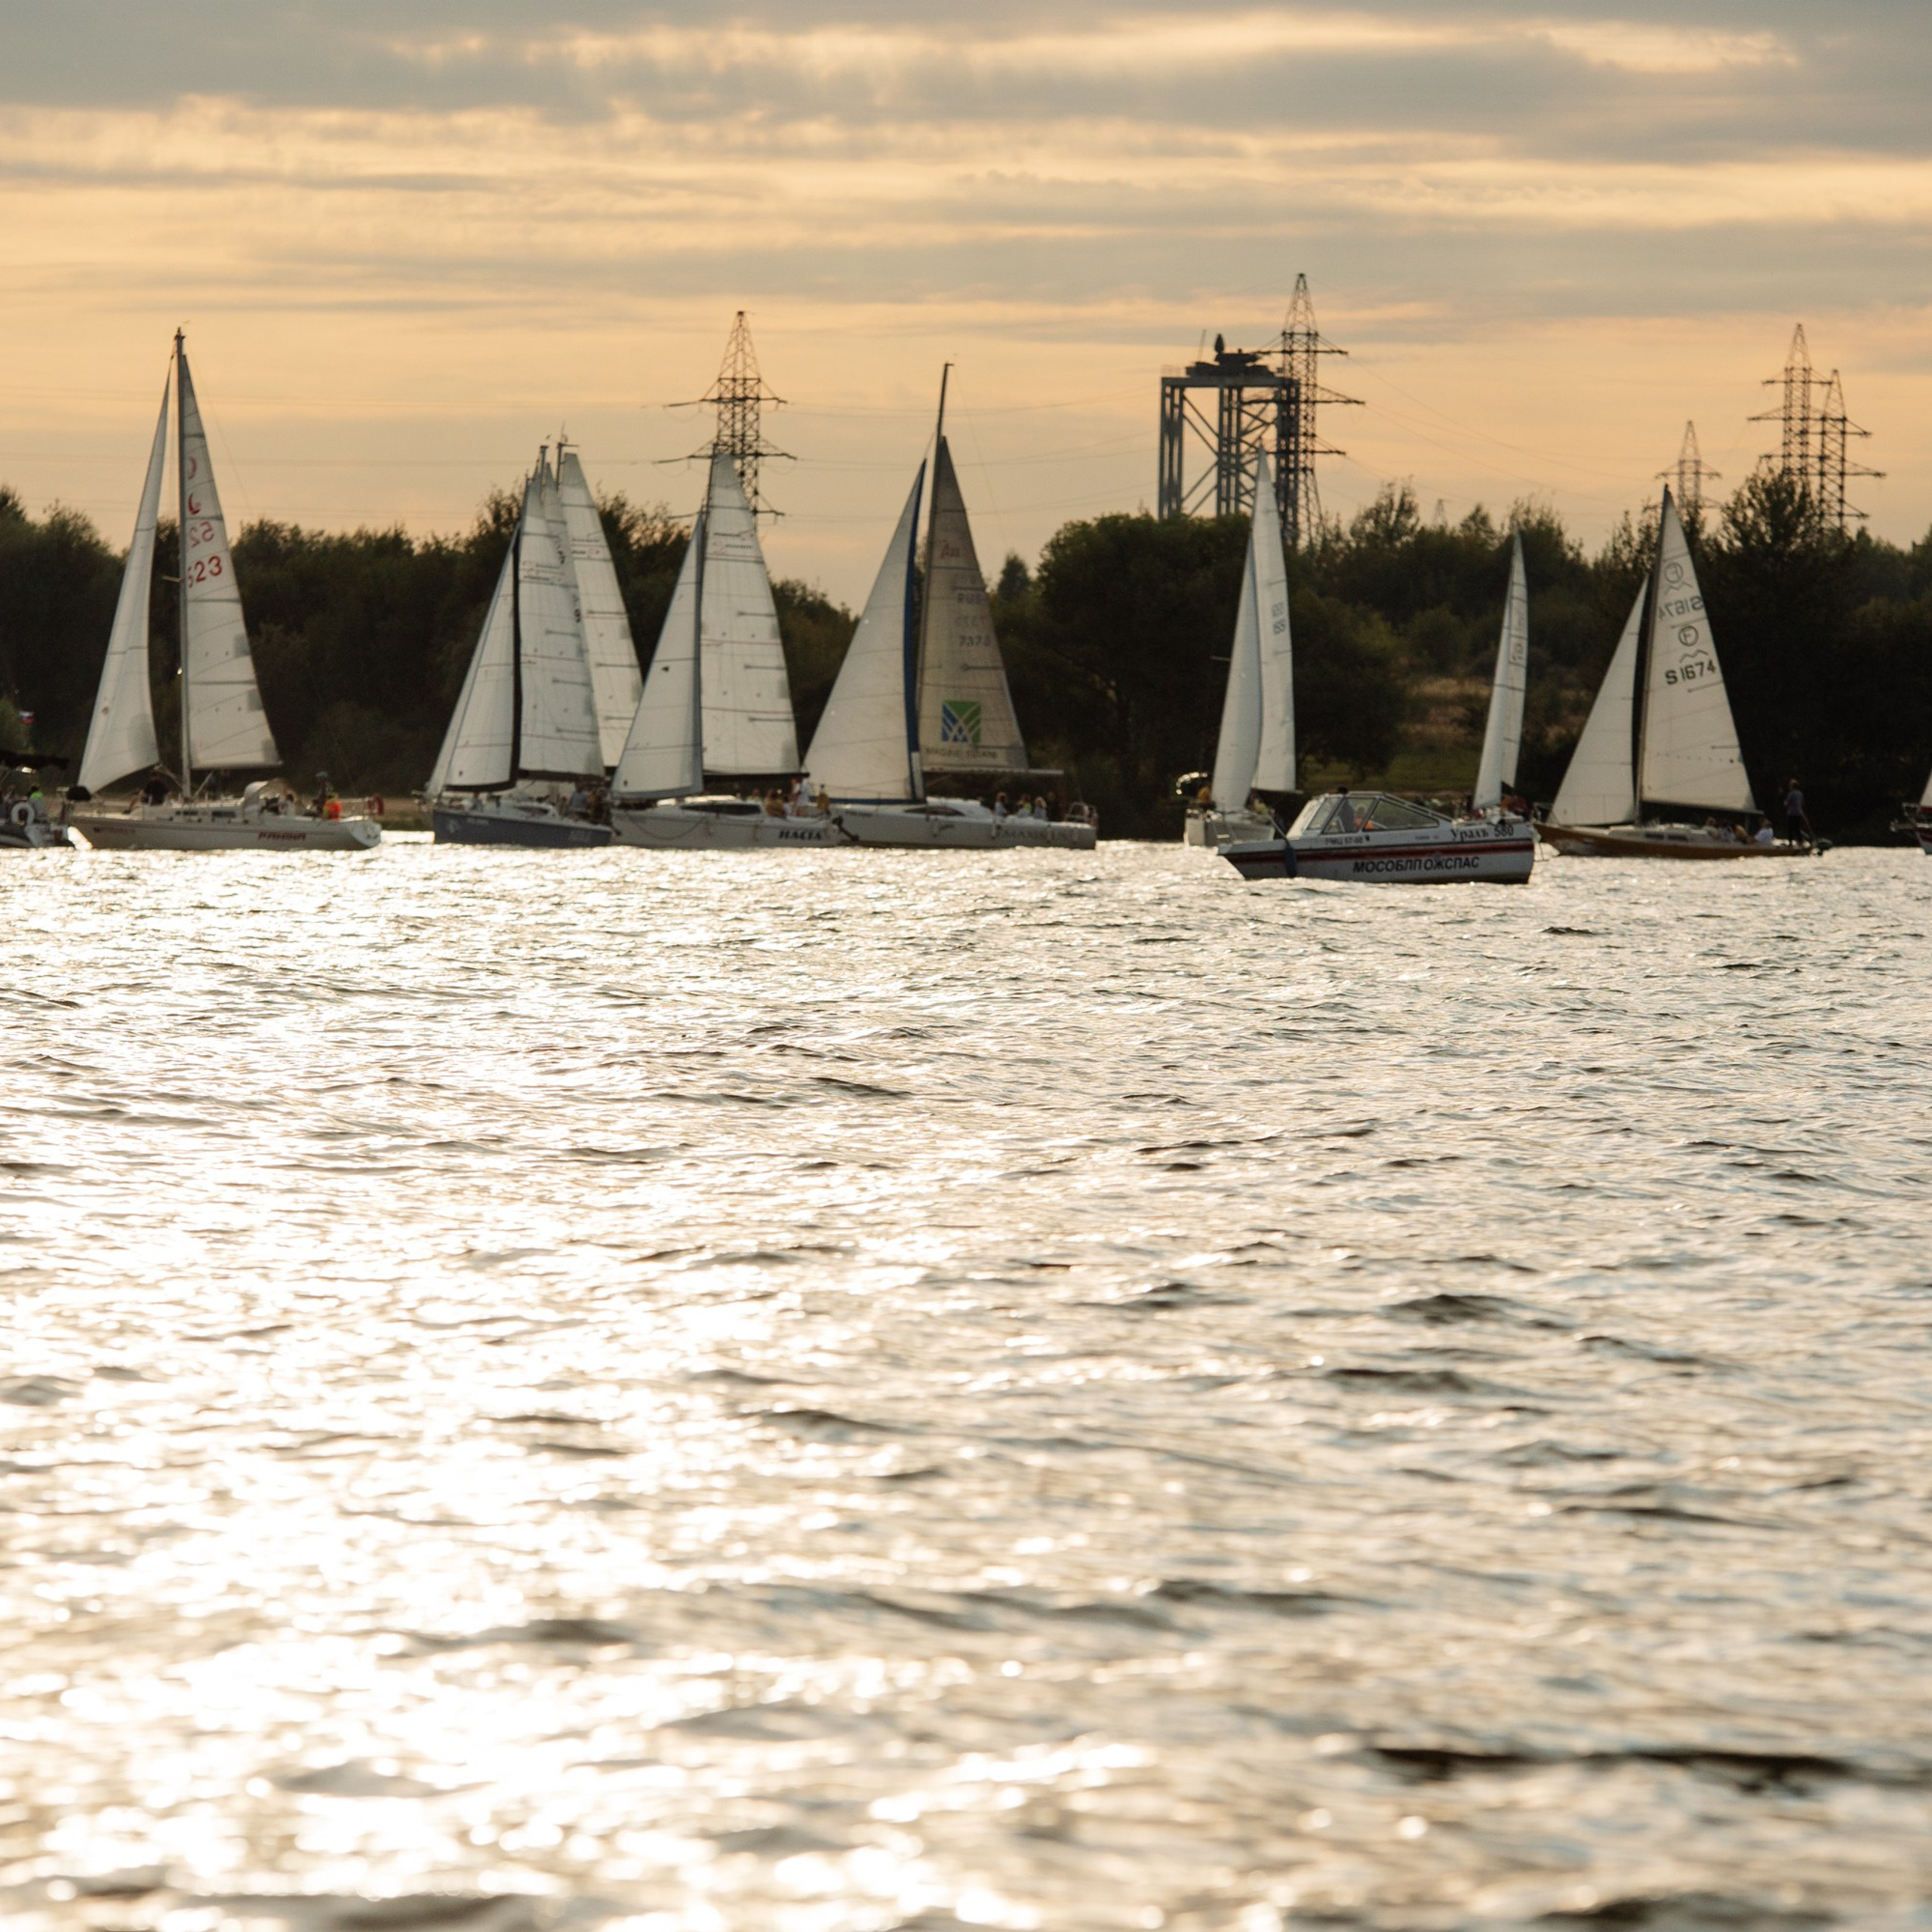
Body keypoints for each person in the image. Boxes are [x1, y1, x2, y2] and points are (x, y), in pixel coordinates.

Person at [1783, 780, 1807, 847]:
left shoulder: (1791, 794)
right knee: (1797, 828)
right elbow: (1802, 803)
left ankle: (1790, 843)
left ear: (1792, 786)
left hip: (1792, 813)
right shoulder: (1800, 793)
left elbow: (1786, 803)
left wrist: (1785, 803)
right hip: (1799, 813)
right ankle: (1800, 842)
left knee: (1790, 828)